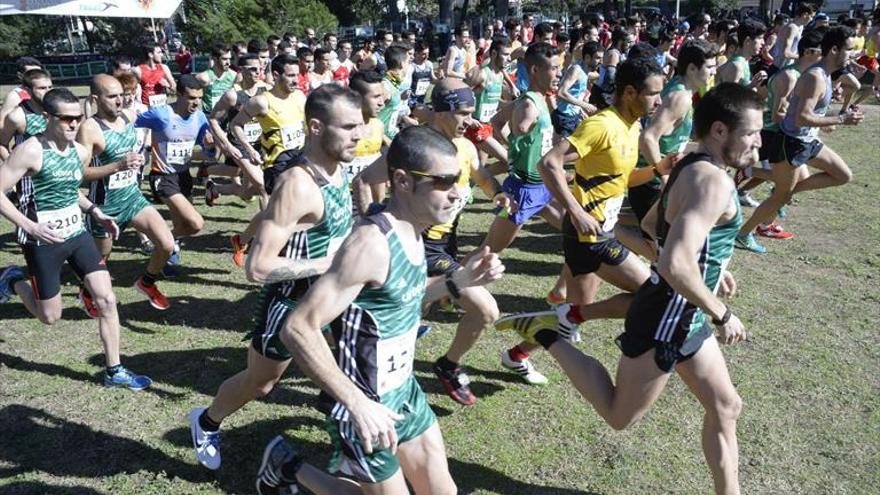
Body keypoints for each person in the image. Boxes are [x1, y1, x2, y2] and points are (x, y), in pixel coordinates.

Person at [498, 82, 763, 495]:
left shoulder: (689, 166)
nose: (757, 142)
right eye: (750, 133)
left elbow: (651, 225)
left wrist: (711, 264)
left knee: (726, 406)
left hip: (683, 311)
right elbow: (675, 262)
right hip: (667, 318)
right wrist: (722, 312)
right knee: (619, 416)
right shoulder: (712, 182)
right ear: (719, 131)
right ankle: (547, 335)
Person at [253, 125, 504, 494]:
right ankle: (287, 466)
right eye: (444, 182)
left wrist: (459, 281)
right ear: (402, 181)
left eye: (459, 180)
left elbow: (402, 298)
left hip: (404, 392)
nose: (456, 193)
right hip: (365, 407)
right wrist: (356, 403)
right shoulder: (370, 244)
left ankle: (286, 464)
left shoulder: (416, 228)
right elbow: (299, 327)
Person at [188, 85, 364, 470]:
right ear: (316, 127)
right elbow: (257, 267)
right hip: (289, 304)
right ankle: (206, 421)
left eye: (361, 124)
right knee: (261, 383)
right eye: (349, 126)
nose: (359, 134)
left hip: (331, 300)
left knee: (352, 373)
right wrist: (329, 265)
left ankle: (352, 454)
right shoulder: (298, 186)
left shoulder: (339, 168)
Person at [355, 79, 514, 403]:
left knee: (414, 309)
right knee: (486, 310)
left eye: (472, 112)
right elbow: (366, 178)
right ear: (441, 112)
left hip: (446, 243)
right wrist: (370, 218)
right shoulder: (413, 146)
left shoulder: (466, 146)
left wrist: (496, 192)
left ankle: (381, 361)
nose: (471, 120)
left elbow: (480, 174)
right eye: (463, 113)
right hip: (417, 243)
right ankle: (448, 365)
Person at [0, 88, 152, 390]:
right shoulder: (30, 150)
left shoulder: (80, 151)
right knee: (50, 317)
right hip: (42, 239)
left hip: (77, 234)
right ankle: (15, 279)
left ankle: (114, 370)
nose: (73, 125)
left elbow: (70, 191)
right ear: (47, 118)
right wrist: (29, 226)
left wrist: (95, 211)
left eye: (77, 119)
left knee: (107, 299)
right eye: (66, 119)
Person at [736, 26, 863, 254]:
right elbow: (803, 118)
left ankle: (784, 189)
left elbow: (812, 114)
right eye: (850, 50)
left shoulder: (825, 74)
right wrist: (842, 118)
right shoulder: (815, 77)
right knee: (780, 196)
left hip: (807, 142)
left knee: (843, 175)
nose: (852, 55)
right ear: (834, 49)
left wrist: (835, 118)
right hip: (791, 143)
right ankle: (743, 234)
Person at [77, 75, 175, 313]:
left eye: (121, 94)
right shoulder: (90, 129)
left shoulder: (129, 116)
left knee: (167, 244)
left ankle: (147, 283)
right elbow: (79, 174)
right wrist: (118, 166)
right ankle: (87, 292)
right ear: (95, 99)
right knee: (100, 262)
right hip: (104, 206)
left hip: (132, 198)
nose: (119, 100)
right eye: (111, 96)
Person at [631, 39, 718, 259]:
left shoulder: (685, 93)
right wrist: (664, 176)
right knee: (664, 250)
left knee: (661, 244)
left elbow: (672, 140)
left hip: (657, 177)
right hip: (650, 181)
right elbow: (648, 138)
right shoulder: (679, 97)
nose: (713, 72)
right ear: (691, 68)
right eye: (709, 67)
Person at [227, 53, 307, 260]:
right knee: (281, 212)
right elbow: (235, 125)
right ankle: (274, 250)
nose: (295, 80)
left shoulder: (300, 96)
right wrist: (250, 149)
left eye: (297, 75)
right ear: (276, 75)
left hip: (300, 160)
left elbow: (305, 127)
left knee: (278, 210)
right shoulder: (262, 102)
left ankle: (242, 240)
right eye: (290, 76)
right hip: (277, 165)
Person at [137, 74, 212, 272]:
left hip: (184, 175)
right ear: (178, 94)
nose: (196, 103)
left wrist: (209, 146)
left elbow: (207, 151)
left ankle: (168, 251)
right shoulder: (161, 115)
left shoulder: (200, 116)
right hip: (162, 176)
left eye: (199, 98)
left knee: (182, 223)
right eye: (191, 98)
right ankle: (162, 240)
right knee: (195, 223)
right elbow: (131, 124)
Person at [204, 53, 270, 225]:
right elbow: (213, 119)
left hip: (260, 145)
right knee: (263, 187)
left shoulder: (267, 90)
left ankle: (214, 188)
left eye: (260, 69)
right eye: (253, 69)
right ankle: (269, 233)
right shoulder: (232, 95)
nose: (258, 72)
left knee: (247, 192)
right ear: (242, 70)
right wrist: (226, 145)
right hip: (239, 146)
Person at [552, 40, 602, 137]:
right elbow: (561, 92)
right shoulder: (576, 70)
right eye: (597, 58)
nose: (600, 61)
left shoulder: (585, 70)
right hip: (564, 117)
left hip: (573, 117)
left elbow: (575, 93)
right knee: (563, 151)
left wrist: (579, 110)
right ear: (587, 57)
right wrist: (585, 105)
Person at [196, 42, 240, 113]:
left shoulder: (234, 76)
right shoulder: (203, 78)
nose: (228, 63)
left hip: (227, 117)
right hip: (208, 116)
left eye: (229, 59)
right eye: (224, 59)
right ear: (215, 59)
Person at [133, 43, 176, 108]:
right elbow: (130, 88)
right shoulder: (138, 70)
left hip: (161, 107)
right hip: (145, 108)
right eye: (159, 52)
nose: (162, 55)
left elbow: (174, 89)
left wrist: (167, 85)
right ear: (150, 54)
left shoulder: (164, 68)